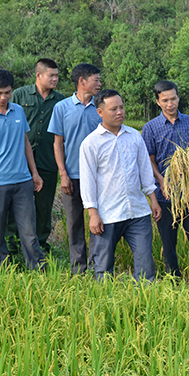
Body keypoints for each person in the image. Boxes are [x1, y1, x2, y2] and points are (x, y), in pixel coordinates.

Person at [79, 90, 161, 282]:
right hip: (107, 215)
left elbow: (145, 171)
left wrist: (153, 201)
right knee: (103, 266)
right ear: (100, 112)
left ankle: (144, 302)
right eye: (113, 109)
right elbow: (88, 181)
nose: (120, 112)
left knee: (145, 265)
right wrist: (93, 214)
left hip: (138, 212)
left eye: (121, 107)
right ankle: (105, 305)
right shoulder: (91, 143)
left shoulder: (134, 136)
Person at [0, 69, 46, 270]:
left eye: (8, 92)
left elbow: (25, 143)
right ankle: (2, 273)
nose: (4, 97)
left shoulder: (18, 111)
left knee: (29, 233)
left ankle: (38, 270)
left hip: (22, 182)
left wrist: (35, 174)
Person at [142, 80, 189, 287]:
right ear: (158, 101)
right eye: (165, 100)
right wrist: (162, 179)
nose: (170, 103)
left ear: (178, 98)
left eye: (173, 98)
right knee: (168, 244)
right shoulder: (150, 128)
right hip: (165, 196)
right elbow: (149, 160)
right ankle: (174, 284)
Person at [6, 58, 65, 254]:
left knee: (43, 207)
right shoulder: (19, 95)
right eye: (51, 75)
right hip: (20, 163)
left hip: (48, 162)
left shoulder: (61, 101)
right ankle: (13, 247)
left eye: (57, 75)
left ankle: (39, 247)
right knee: (16, 206)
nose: (55, 79)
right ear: (38, 75)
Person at [47, 63, 102, 275]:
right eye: (95, 80)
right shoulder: (61, 108)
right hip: (72, 176)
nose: (99, 83)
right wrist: (63, 174)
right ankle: (78, 270)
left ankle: (98, 268)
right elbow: (57, 143)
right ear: (82, 81)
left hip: (98, 178)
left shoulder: (101, 107)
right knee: (74, 224)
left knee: (98, 222)